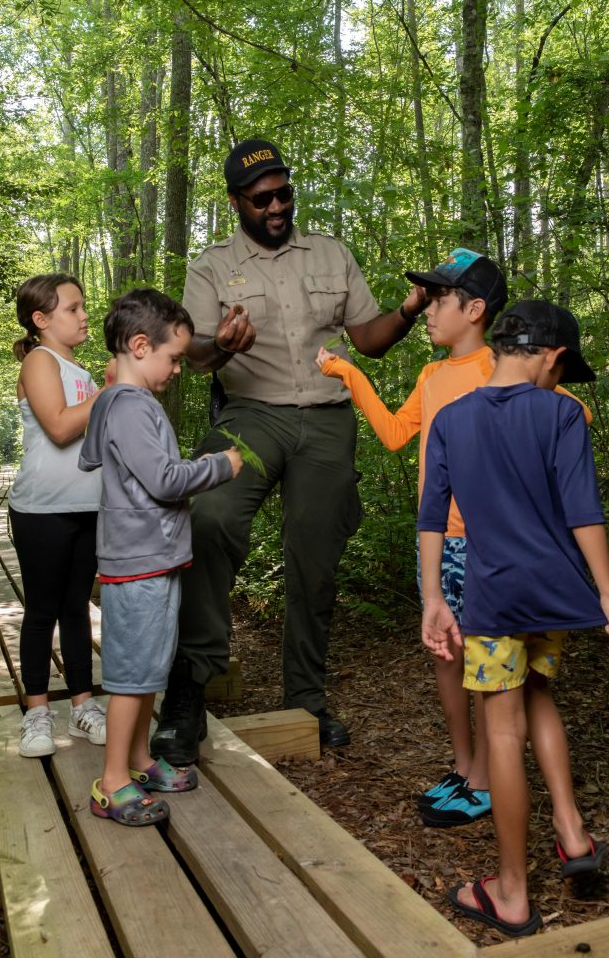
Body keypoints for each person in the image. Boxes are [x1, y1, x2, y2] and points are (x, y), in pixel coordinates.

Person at [150, 137, 427, 763]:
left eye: (283, 193)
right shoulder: (211, 266)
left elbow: (370, 339)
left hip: (328, 420)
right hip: (251, 414)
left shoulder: (330, 253)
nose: (276, 206)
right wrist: (222, 344)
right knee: (209, 516)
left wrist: (408, 311)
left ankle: (305, 698)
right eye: (261, 198)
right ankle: (190, 689)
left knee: (316, 553)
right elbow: (194, 359)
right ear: (236, 202)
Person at [418, 299, 609, 937]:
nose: (560, 381)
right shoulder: (563, 413)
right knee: (537, 694)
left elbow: (434, 516)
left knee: (503, 731)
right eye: (562, 369)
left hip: (493, 600)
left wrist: (435, 597)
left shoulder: (452, 420)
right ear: (551, 356)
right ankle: (570, 832)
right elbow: (582, 509)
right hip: (551, 596)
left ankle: (510, 893)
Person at [318, 248, 507, 827]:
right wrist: (351, 373)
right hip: (439, 544)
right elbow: (397, 434)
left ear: (474, 309)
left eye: (437, 299)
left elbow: (566, 414)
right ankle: (464, 766)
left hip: (487, 546)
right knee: (446, 657)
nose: (424, 309)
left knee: (483, 662)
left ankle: (486, 780)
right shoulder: (431, 375)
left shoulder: (502, 370)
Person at [79, 288, 242, 826]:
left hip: (153, 558)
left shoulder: (126, 403)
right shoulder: (127, 407)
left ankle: (140, 759)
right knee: (131, 676)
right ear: (140, 345)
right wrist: (220, 465)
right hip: (139, 562)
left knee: (149, 669)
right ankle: (112, 782)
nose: (177, 368)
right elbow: (164, 480)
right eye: (173, 358)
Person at [8, 273, 108, 757]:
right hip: (42, 510)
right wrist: (111, 390)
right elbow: (62, 428)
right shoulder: (38, 361)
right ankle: (37, 714)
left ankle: (84, 706)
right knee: (42, 610)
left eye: (83, 306)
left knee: (76, 611)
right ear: (41, 320)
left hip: (87, 507)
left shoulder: (82, 372)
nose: (84, 314)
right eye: (73, 308)